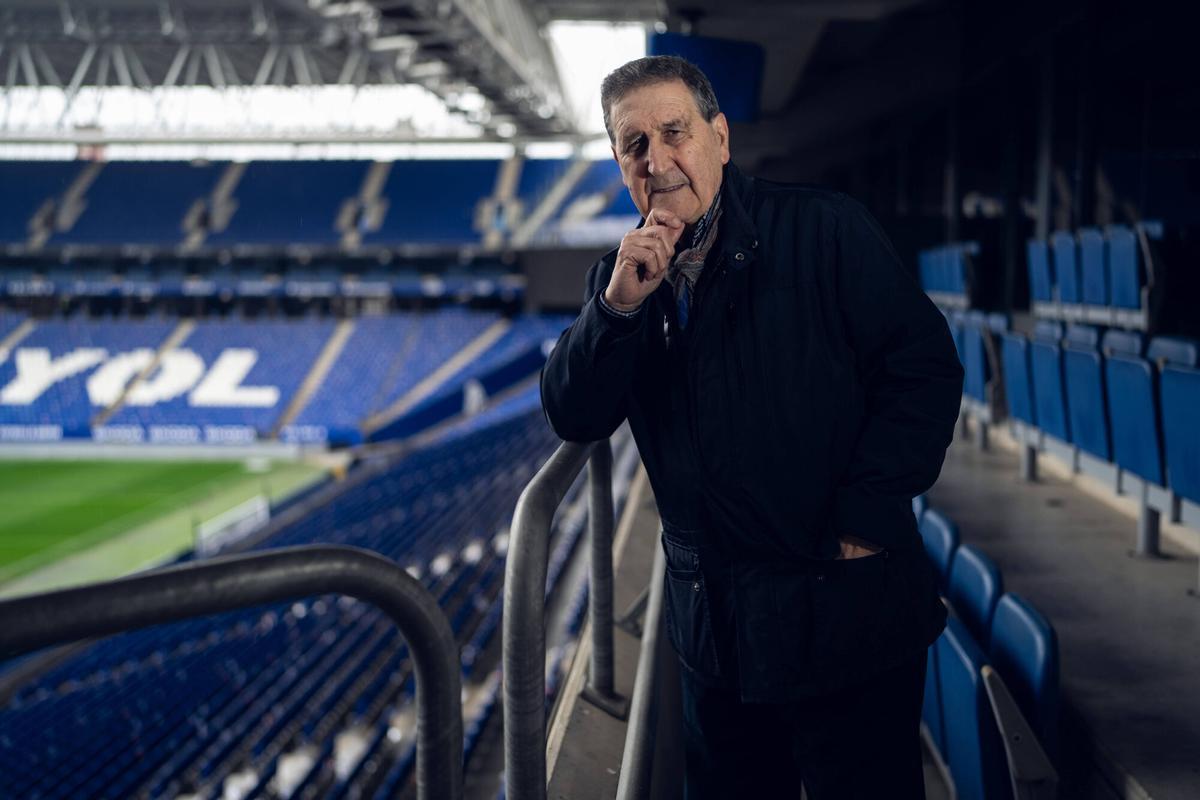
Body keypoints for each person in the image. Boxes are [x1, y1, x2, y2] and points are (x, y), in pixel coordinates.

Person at [540, 55, 963, 799]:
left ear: (721, 139)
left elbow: (922, 370)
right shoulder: (622, 277)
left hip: (845, 615)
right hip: (718, 641)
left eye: (675, 132)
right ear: (617, 162)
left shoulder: (824, 230)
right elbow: (574, 412)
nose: (658, 160)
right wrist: (616, 311)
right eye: (633, 144)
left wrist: (865, 515)